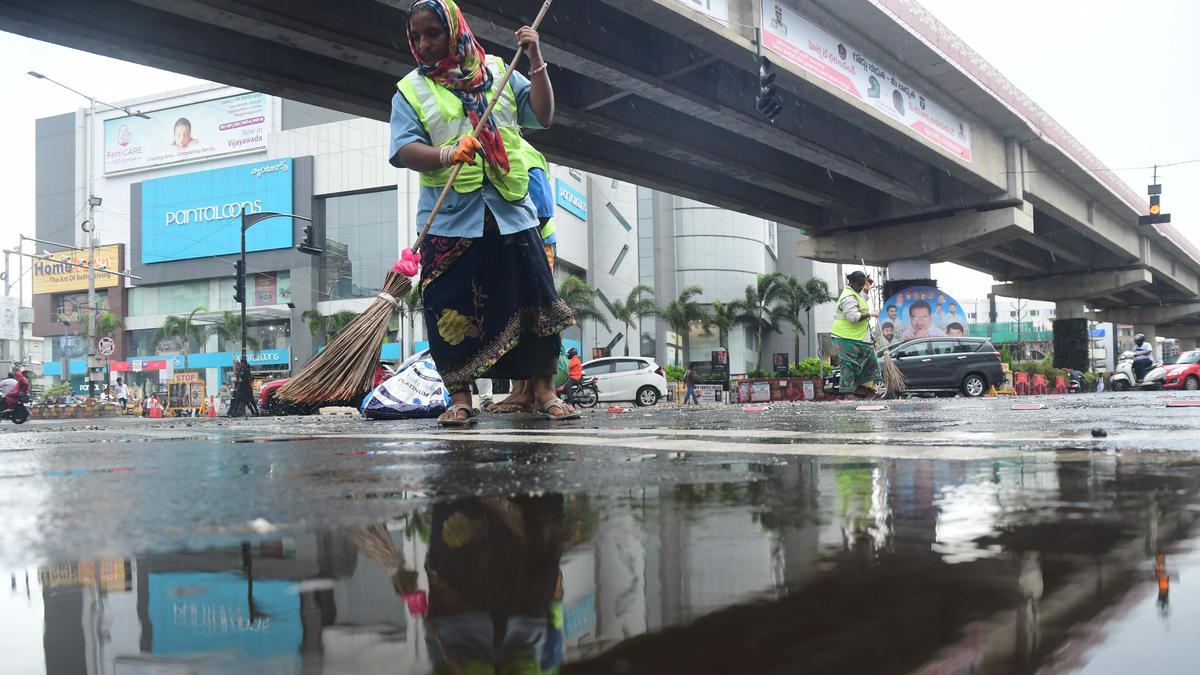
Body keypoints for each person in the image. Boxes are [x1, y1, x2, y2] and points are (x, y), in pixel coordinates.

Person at [390, 0, 576, 425]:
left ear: (454, 30)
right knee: (448, 306)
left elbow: (543, 115)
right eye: (416, 36)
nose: (423, 44)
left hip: (512, 210)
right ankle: (460, 399)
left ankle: (544, 392)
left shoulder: (498, 70)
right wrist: (447, 152)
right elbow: (403, 151)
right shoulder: (411, 90)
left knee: (535, 297)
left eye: (432, 33)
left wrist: (535, 58)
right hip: (452, 217)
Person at [831, 272, 880, 399]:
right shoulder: (848, 297)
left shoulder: (855, 294)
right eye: (859, 285)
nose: (860, 287)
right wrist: (871, 314)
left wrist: (867, 289)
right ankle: (849, 393)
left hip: (857, 337)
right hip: (844, 337)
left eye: (862, 285)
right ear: (852, 283)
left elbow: (861, 299)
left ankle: (866, 389)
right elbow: (853, 317)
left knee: (870, 361)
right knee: (849, 364)